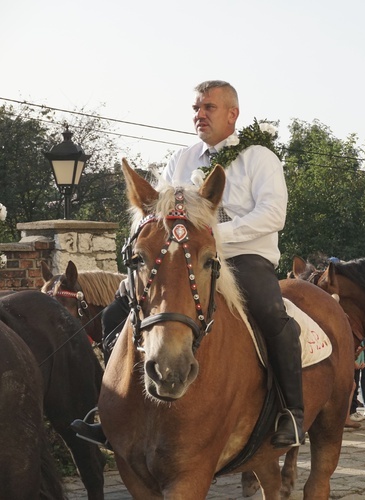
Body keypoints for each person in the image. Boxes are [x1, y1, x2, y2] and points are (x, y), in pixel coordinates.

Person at [73, 80, 305, 448]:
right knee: (117, 308)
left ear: (233, 113)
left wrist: (211, 238)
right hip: (179, 259)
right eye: (196, 108)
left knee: (269, 311)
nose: (199, 114)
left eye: (208, 107)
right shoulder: (180, 160)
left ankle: (292, 412)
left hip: (245, 256)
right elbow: (153, 213)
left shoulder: (260, 157)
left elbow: (272, 214)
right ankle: (110, 410)